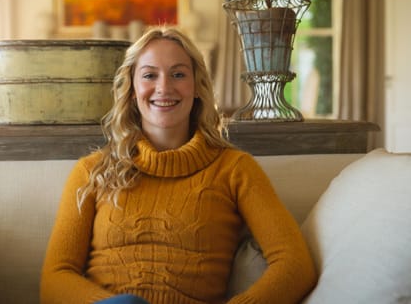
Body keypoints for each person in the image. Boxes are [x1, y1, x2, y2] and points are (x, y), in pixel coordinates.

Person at [40, 26, 317, 304]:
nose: (163, 87)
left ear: (196, 86)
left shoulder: (235, 169)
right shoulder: (92, 171)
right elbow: (55, 277)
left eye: (178, 74)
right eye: (149, 75)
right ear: (132, 90)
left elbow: (296, 264)